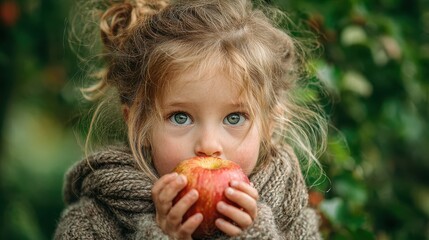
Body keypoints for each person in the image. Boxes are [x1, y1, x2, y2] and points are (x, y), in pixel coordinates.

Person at [54, 0, 327, 239]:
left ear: (269, 125)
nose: (208, 145)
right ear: (137, 123)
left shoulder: (293, 223)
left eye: (234, 117)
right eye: (181, 117)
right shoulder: (90, 224)